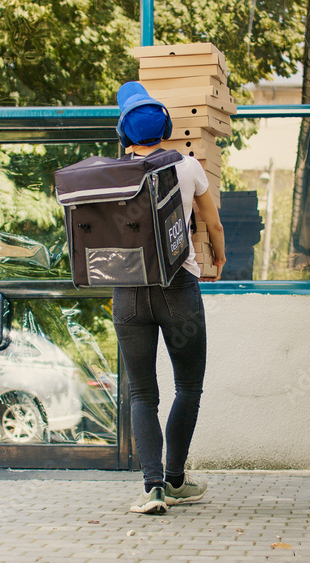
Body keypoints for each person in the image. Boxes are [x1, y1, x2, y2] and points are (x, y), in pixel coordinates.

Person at [112, 81, 227, 514]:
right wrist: (218, 259)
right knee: (189, 386)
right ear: (167, 127)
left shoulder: (110, 172)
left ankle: (152, 487)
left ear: (123, 133)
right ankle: (176, 477)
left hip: (128, 293)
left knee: (143, 393)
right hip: (178, 287)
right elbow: (212, 224)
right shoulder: (188, 166)